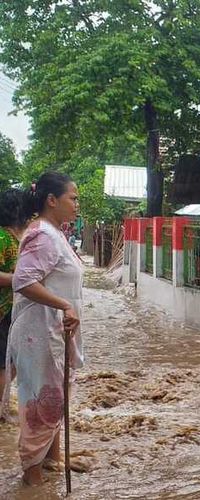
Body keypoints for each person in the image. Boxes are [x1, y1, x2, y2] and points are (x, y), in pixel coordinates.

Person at [1, 172, 83, 486]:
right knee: (41, 404)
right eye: (72, 198)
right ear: (51, 200)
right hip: (41, 335)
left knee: (54, 399)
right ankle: (32, 481)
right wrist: (63, 305)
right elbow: (23, 280)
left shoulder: (55, 233)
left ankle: (51, 461)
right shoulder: (42, 235)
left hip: (55, 333)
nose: (77, 205)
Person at [0, 189, 33, 410]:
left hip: (12, 313)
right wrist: (19, 281)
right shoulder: (2, 238)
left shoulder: (18, 238)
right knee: (4, 364)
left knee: (11, 362)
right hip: (2, 314)